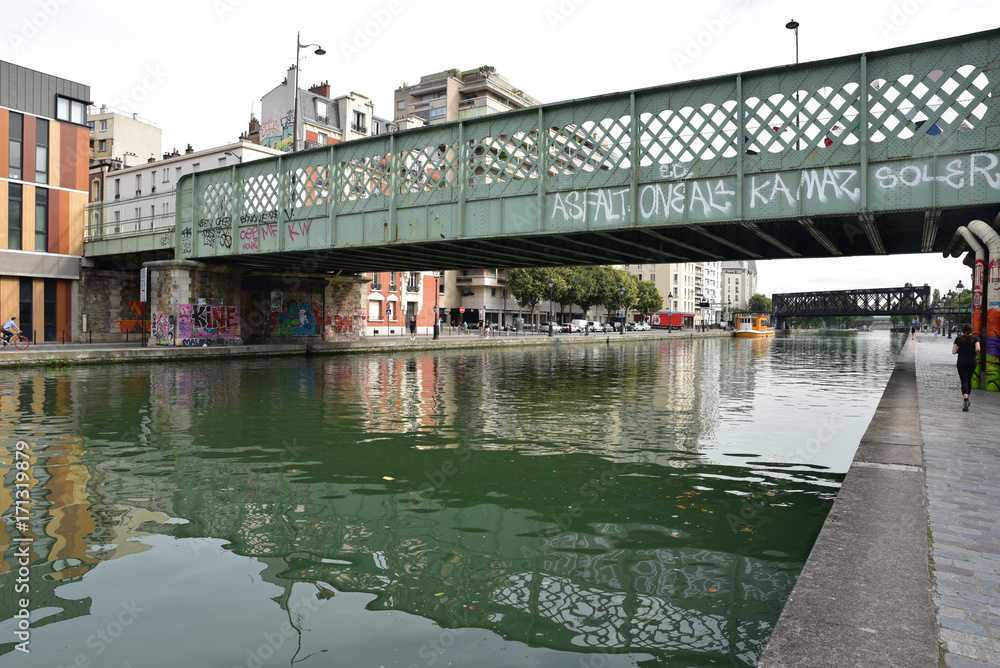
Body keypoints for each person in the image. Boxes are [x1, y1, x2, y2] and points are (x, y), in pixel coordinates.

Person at [952, 323, 981, 412]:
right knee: (969, 380)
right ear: (971, 330)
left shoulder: (958, 339)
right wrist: (975, 354)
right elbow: (978, 349)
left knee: (963, 380)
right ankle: (967, 399)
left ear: (962, 330)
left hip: (961, 362)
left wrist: (960, 350)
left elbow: (954, 351)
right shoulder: (975, 338)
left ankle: (965, 399)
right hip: (972, 361)